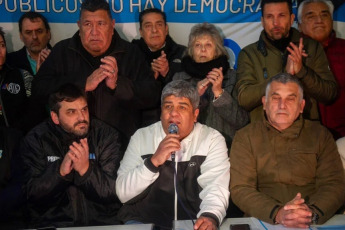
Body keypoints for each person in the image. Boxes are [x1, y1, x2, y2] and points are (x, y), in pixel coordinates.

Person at [32, 0, 160, 147]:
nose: (94, 32)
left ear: (112, 26)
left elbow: (153, 96)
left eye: (101, 24)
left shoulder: (131, 53)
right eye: (88, 24)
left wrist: (117, 85)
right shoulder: (62, 51)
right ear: (79, 26)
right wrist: (82, 84)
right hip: (69, 146)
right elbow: (38, 90)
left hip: (120, 146)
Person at [230, 73, 345, 228]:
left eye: (290, 99)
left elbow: (334, 184)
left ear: (302, 106)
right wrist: (278, 213)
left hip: (312, 220)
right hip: (263, 220)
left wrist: (309, 213)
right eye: (276, 98)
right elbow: (241, 188)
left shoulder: (320, 135)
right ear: (264, 103)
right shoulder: (246, 137)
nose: (282, 105)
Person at [116, 80, 230, 230]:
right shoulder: (141, 136)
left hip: (192, 223)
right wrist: (153, 162)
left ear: (195, 114)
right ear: (161, 112)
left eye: (182, 107)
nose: (173, 113)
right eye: (168, 106)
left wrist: (210, 215)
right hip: (143, 221)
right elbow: (122, 193)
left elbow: (215, 186)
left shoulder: (211, 139)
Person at [21, 84, 123, 228]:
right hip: (54, 225)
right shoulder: (36, 139)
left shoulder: (106, 136)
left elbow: (116, 191)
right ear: (55, 117)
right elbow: (29, 194)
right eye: (71, 112)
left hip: (101, 224)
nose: (82, 117)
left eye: (84, 109)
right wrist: (60, 173)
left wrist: (86, 171)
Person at [236, 0, 337, 122]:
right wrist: (284, 76)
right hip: (264, 135)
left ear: (291, 18)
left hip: (306, 133)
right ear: (262, 21)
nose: (275, 23)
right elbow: (244, 99)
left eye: (281, 15)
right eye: (269, 17)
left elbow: (330, 94)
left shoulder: (312, 47)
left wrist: (302, 72)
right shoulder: (249, 54)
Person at [173, 23, 248, 147]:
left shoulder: (233, 77)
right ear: (191, 50)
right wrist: (195, 96)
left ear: (217, 49)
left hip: (225, 150)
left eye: (208, 44)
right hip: (188, 152)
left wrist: (219, 93)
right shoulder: (179, 79)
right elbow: (173, 122)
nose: (203, 49)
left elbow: (242, 121)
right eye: (198, 45)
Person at [298, 0, 345, 140]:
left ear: (331, 20)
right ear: (299, 25)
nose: (319, 20)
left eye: (324, 15)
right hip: (305, 139)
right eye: (311, 16)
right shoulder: (291, 52)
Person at [133, 8, 186, 126]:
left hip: (176, 122)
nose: (154, 30)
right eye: (148, 26)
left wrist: (168, 73)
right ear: (141, 31)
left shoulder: (184, 54)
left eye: (159, 24)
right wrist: (149, 77)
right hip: (139, 124)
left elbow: (190, 92)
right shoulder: (131, 55)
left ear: (166, 29)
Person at [7, 12, 52, 97]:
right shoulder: (10, 63)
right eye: (28, 32)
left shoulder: (62, 58)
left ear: (48, 34)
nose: (34, 37)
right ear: (21, 36)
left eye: (39, 31)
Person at [0, 27, 28, 130]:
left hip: (16, 142)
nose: (0, 51)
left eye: (2, 45)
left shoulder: (22, 75)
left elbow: (35, 111)